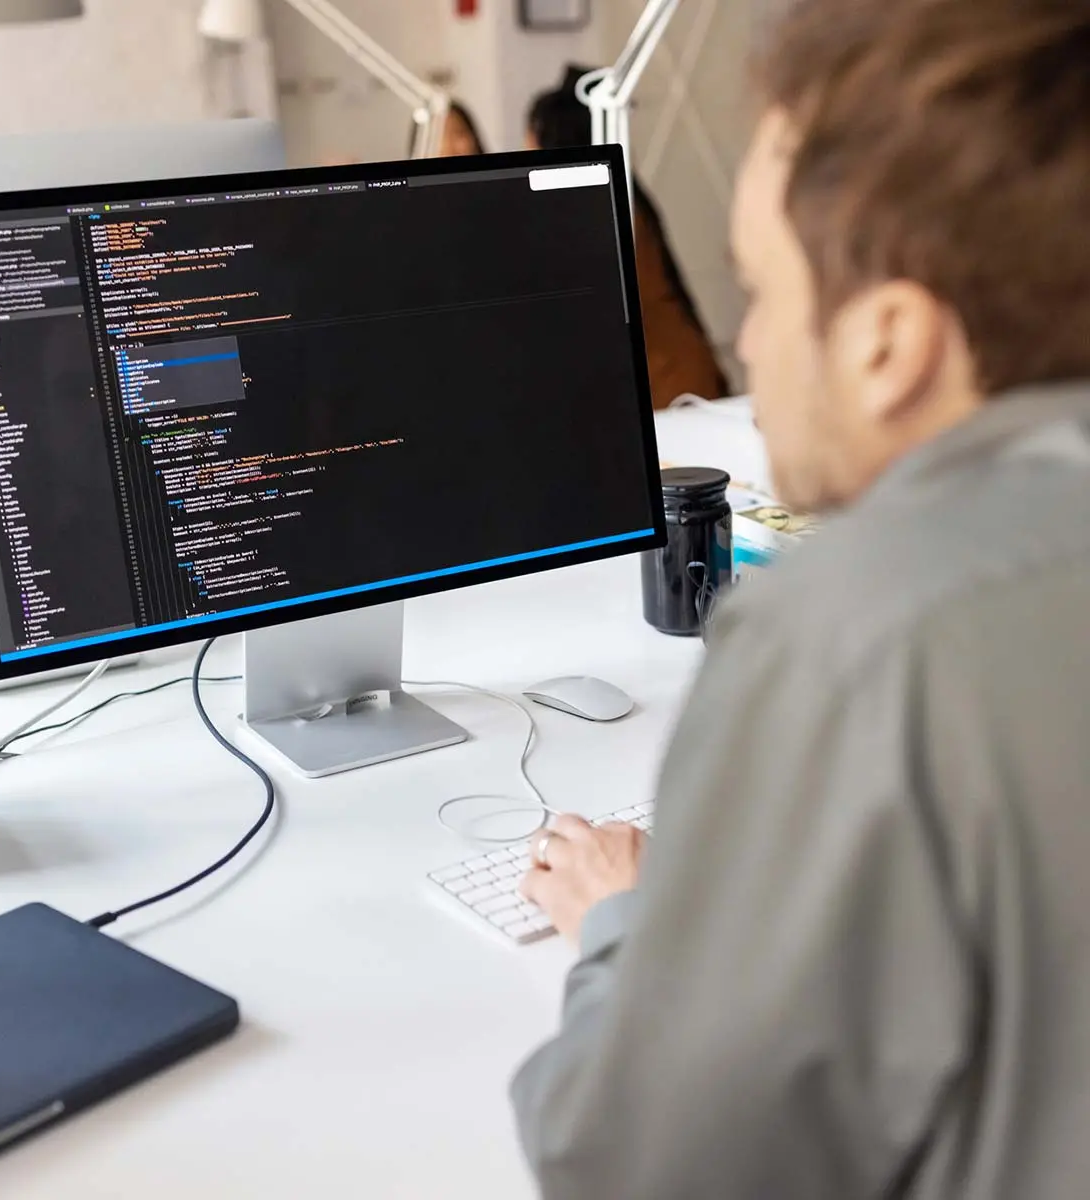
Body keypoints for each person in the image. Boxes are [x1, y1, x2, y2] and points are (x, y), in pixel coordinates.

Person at [510, 1, 1090, 1197]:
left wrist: (630, 931)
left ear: (890, 343)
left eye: (761, 294)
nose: (752, 351)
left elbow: (633, 1165)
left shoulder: (861, 630)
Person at [527, 66, 729, 407]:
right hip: (677, 378)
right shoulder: (621, 201)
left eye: (531, 139)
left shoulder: (595, 214)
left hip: (669, 392)